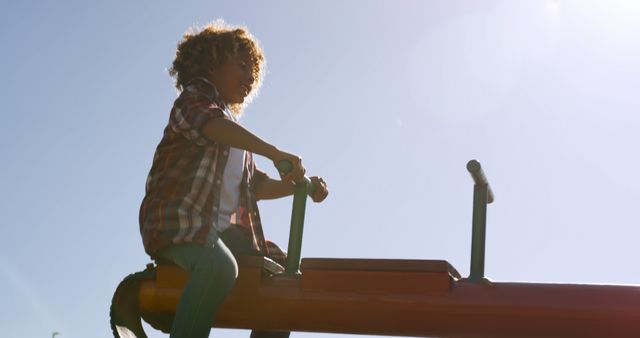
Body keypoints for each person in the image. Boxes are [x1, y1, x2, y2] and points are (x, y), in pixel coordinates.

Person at [139, 21, 329, 338]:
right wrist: (272, 150)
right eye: (241, 65)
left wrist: (300, 187)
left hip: (221, 232)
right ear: (211, 64)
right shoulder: (194, 101)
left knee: (284, 277)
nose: (250, 76)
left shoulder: (235, 134)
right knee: (218, 268)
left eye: (252, 70)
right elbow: (211, 126)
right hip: (179, 223)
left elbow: (255, 185)